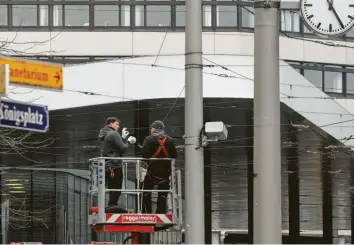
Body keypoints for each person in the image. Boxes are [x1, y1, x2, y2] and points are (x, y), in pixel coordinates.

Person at [98, 117, 136, 210]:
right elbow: (123, 149)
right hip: (114, 165)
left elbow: (113, 147)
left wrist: (122, 137)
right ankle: (112, 206)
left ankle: (111, 206)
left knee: (111, 188)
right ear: (111, 123)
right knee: (117, 188)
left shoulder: (103, 134)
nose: (118, 126)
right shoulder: (114, 133)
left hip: (106, 165)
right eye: (117, 124)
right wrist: (129, 141)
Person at [141, 120, 178, 214]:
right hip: (165, 173)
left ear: (156, 128)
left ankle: (147, 212)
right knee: (163, 194)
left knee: (146, 192)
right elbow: (174, 155)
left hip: (152, 172)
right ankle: (160, 213)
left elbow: (145, 155)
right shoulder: (170, 140)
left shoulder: (148, 139)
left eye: (152, 128)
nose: (151, 129)